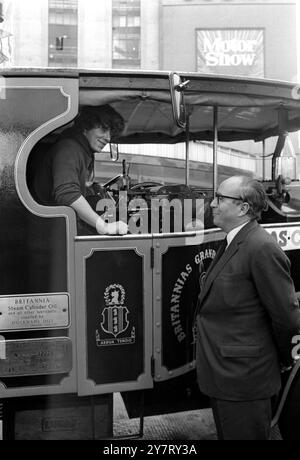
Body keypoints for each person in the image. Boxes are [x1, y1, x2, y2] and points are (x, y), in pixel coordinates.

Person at [195, 175, 300, 440]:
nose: (212, 204)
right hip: (226, 377)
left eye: (220, 198)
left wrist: (279, 360)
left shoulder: (261, 247)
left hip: (244, 379)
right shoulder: (234, 241)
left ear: (243, 208)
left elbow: (287, 318)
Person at [32, 105, 128, 235]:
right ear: (86, 126)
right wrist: (104, 227)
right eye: (104, 129)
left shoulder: (81, 150)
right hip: (52, 231)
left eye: (111, 132)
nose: (108, 138)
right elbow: (67, 193)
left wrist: (94, 188)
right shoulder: (69, 149)